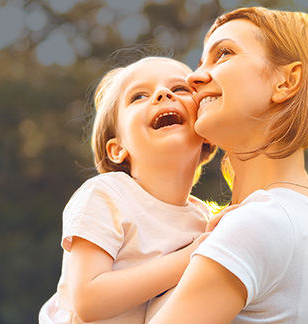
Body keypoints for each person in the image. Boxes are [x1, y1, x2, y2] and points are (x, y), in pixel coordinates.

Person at [147, 7, 308, 324]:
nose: (193, 77)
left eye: (223, 53)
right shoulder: (284, 214)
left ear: (286, 81)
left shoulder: (260, 222)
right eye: (201, 61)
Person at [38, 56, 218, 324]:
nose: (162, 93)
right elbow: (88, 300)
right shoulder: (106, 195)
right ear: (117, 148)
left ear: (206, 131)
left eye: (180, 89)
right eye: (138, 96)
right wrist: (193, 255)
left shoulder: (204, 221)